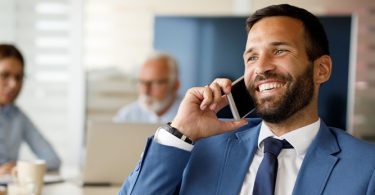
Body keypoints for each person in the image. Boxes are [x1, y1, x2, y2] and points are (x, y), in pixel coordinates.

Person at [119, 4, 375, 195]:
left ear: (322, 69)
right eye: (252, 57)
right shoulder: (200, 149)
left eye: (280, 51)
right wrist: (180, 132)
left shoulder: (366, 167)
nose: (261, 67)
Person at [0, 44, 61, 175]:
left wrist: (21, 167)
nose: (13, 85)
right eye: (5, 75)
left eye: (19, 77)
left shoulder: (18, 117)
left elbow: (53, 159)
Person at [113, 52, 182, 123]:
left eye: (155, 83)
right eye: (141, 82)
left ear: (175, 85)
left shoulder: (190, 115)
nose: (145, 91)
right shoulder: (127, 115)